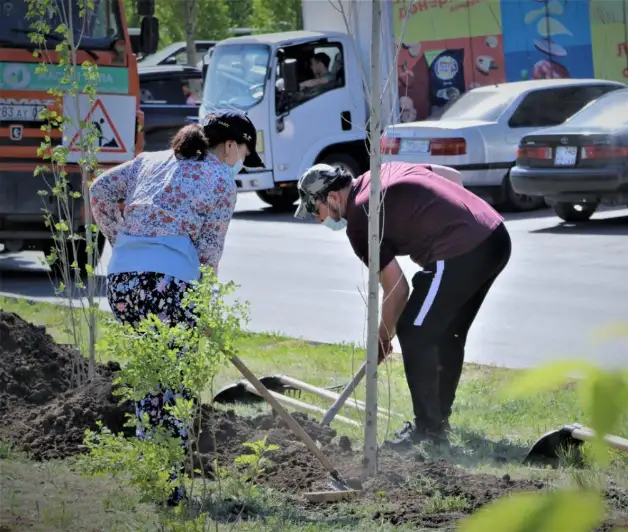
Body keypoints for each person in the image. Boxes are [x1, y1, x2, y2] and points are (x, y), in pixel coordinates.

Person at [89, 109, 264, 504]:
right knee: (175, 383)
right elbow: (208, 252)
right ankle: (170, 488)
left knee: (150, 376)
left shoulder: (149, 160)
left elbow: (98, 190)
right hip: (169, 284)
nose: (239, 162)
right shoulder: (220, 179)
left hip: (122, 282)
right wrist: (201, 305)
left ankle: (155, 476)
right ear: (230, 145)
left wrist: (122, 242)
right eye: (242, 153)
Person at [294, 162, 512, 448]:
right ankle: (437, 424)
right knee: (446, 332)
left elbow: (397, 289)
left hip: (462, 247)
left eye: (315, 211)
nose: (319, 220)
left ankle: (428, 431)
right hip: (493, 235)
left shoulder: (360, 219)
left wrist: (382, 339)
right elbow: (451, 177)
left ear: (332, 198)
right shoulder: (379, 171)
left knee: (413, 330)